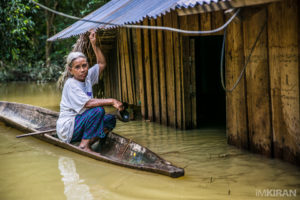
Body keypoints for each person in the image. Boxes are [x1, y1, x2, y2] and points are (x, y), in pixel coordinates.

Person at [56, 30, 123, 153]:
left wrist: (94, 44)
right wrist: (112, 100)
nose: (82, 70)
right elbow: (88, 104)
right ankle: (84, 146)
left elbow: (101, 64)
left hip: (81, 122)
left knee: (110, 120)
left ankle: (89, 141)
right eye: (77, 67)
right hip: (68, 129)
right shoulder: (71, 84)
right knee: (98, 111)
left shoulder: (87, 77)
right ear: (70, 70)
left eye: (84, 65)